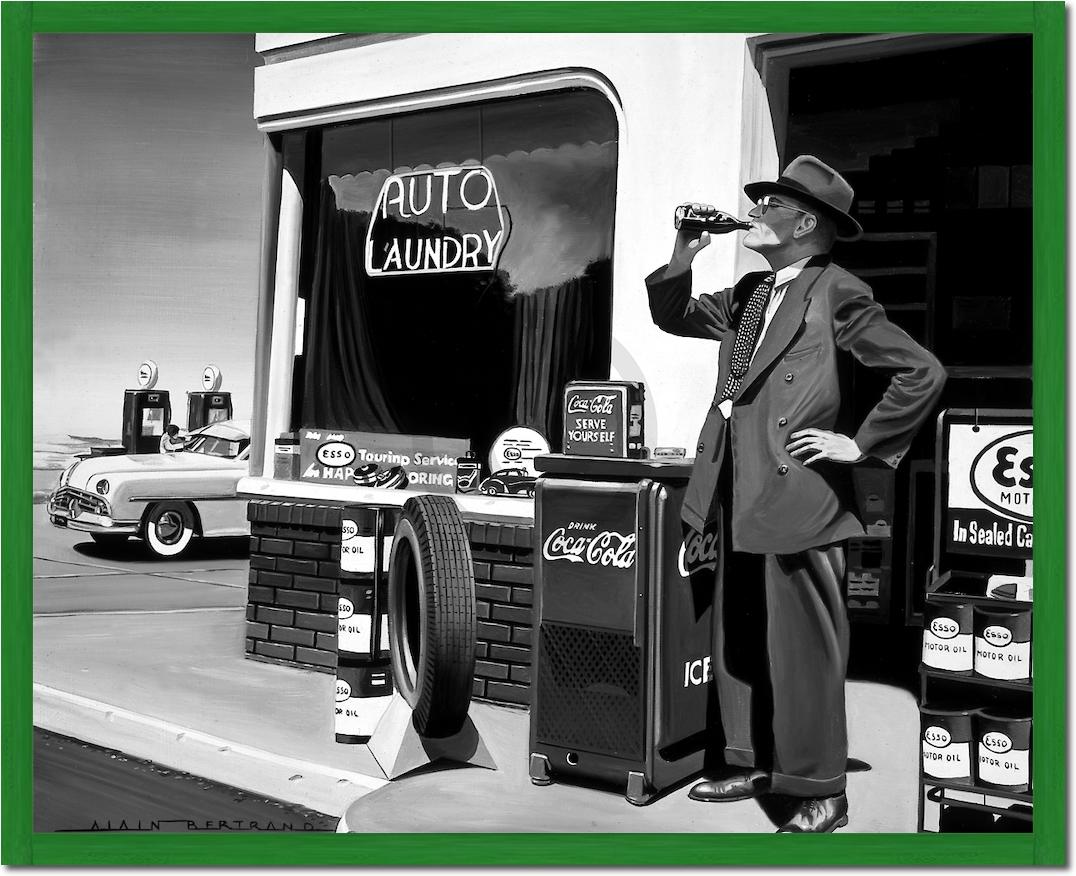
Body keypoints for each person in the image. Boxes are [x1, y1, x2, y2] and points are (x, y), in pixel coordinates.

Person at [645, 155, 946, 833]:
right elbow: (672, 314)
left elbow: (920, 371)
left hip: (799, 498)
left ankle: (823, 791)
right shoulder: (751, 291)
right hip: (732, 489)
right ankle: (754, 763)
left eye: (766, 205)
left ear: (804, 222)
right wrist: (684, 250)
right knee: (741, 638)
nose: (750, 212)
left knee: (805, 651)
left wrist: (864, 446)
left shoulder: (838, 291)